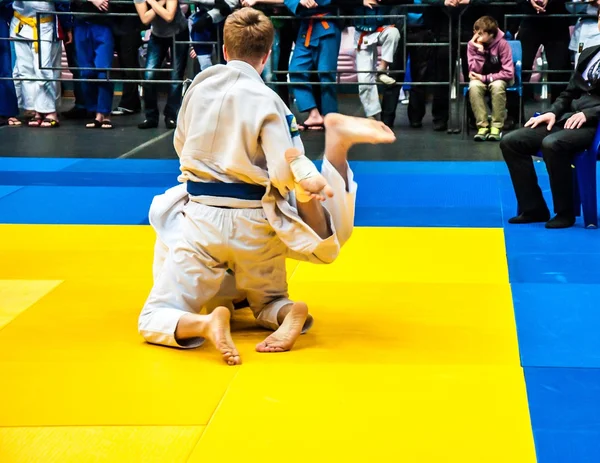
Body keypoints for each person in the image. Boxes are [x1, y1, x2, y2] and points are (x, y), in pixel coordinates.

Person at [137, 8, 396, 365]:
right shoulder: (268, 100)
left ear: (224, 51)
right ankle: (283, 309)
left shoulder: (195, 90)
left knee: (156, 313)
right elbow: (284, 165)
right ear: (268, 54)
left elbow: (182, 146)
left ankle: (203, 322)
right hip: (256, 224)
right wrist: (302, 186)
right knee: (284, 285)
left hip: (200, 220)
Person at [500, 43, 600, 229]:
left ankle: (565, 212)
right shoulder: (590, 53)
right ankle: (534, 208)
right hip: (570, 119)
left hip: (596, 126)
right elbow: (569, 93)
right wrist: (553, 112)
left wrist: (590, 113)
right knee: (512, 141)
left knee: (552, 144)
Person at [134, 0, 190, 129]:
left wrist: (152, 2)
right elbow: (145, 19)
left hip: (178, 32)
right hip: (157, 34)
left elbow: (169, 16)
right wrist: (159, 3)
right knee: (149, 76)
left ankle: (171, 115)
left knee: (176, 77)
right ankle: (151, 116)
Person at [467, 15, 514, 141]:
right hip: (480, 78)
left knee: (497, 86)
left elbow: (508, 72)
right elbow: (473, 71)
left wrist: (485, 78)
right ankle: (482, 126)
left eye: (481, 33)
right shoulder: (472, 45)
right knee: (474, 86)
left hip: (500, 78)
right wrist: (479, 51)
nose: (476, 36)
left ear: (491, 34)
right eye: (475, 32)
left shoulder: (503, 44)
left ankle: (496, 126)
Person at [353, 4, 400, 120]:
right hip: (362, 32)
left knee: (393, 33)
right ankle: (371, 116)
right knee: (364, 80)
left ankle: (381, 70)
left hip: (382, 28)